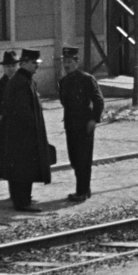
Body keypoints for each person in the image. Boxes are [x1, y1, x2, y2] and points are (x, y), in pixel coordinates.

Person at [0, 49, 52, 211]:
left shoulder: (24, 80)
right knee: (23, 169)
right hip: (23, 137)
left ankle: (23, 199)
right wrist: (35, 131)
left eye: (37, 63)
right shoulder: (22, 82)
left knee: (22, 169)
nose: (36, 67)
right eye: (33, 63)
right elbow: (23, 112)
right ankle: (22, 202)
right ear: (24, 63)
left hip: (21, 136)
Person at [57, 47, 104, 202]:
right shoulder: (63, 82)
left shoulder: (87, 79)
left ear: (77, 62)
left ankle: (82, 191)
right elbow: (64, 102)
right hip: (71, 126)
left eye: (69, 61)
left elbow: (98, 100)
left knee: (84, 159)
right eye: (64, 62)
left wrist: (93, 119)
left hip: (85, 126)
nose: (66, 65)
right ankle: (83, 189)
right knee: (74, 159)